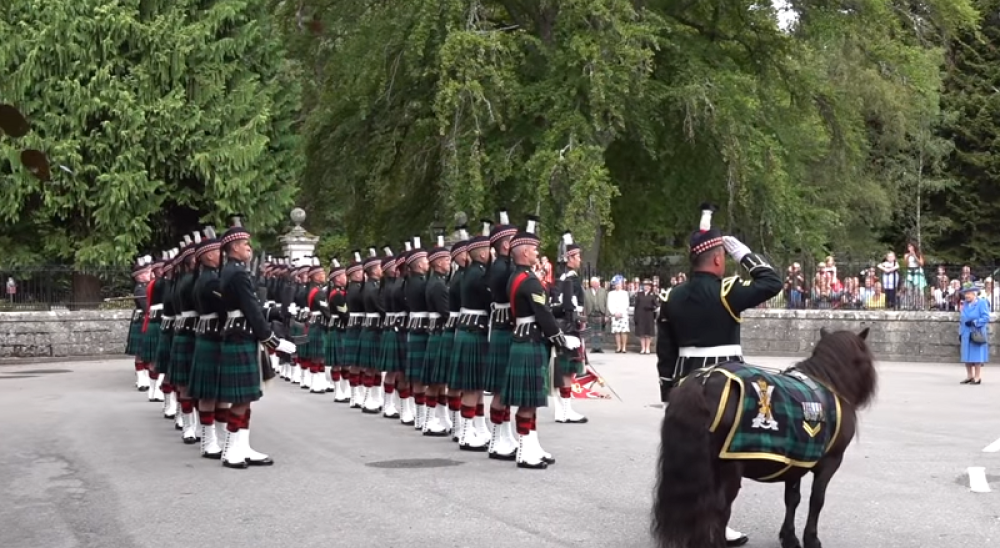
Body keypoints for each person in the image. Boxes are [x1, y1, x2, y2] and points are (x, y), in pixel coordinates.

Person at [655, 203, 783, 547]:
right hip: (726, 381)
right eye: (723, 256)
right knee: (725, 457)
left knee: (687, 456)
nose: (725, 261)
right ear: (715, 259)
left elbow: (664, 351)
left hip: (684, 382)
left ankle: (689, 519)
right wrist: (746, 255)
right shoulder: (727, 291)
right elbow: (773, 282)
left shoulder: (671, 296)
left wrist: (668, 390)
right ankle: (716, 520)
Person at [217, 215, 294, 469]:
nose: (249, 247)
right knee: (241, 397)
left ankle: (243, 447)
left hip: (240, 333)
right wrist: (273, 340)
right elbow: (250, 309)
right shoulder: (237, 273)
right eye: (245, 243)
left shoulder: (233, 271)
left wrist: (269, 314)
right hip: (242, 334)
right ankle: (231, 450)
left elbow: (252, 306)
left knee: (246, 397)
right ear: (234, 247)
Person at [503, 216, 579, 469]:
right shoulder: (529, 280)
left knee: (531, 401)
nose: (537, 253)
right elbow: (543, 314)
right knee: (527, 401)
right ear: (524, 251)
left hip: (525, 340)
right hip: (530, 342)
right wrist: (560, 339)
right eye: (534, 249)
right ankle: (525, 450)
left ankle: (532, 444)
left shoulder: (517, 277)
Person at [450, 221, 493, 450]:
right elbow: (490, 300)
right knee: (470, 386)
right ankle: (466, 433)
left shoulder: (468, 273)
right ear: (483, 253)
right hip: (474, 329)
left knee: (475, 384)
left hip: (470, 329)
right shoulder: (478, 275)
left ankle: (477, 427)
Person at [550, 230, 588, 424]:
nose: (580, 260)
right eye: (578, 256)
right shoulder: (570, 279)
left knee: (564, 370)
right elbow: (568, 304)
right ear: (570, 258)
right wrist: (575, 320)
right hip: (569, 327)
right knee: (566, 371)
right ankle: (565, 410)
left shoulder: (563, 277)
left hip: (565, 326)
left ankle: (562, 408)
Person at [128, 255, 153, 391]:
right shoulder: (140, 289)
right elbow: (146, 307)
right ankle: (141, 379)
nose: (150, 274)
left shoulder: (147, 286)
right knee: (140, 352)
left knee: (146, 352)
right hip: (142, 320)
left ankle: (146, 378)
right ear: (140, 276)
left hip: (146, 321)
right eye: (147, 272)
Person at [959, 282, 990, 385]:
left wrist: (974, 322)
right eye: (965, 293)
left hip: (977, 332)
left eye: (969, 293)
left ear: (974, 293)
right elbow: (962, 319)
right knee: (966, 355)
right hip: (965, 333)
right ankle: (969, 376)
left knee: (977, 356)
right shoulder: (965, 304)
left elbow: (986, 317)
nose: (966, 295)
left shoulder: (981, 303)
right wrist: (960, 333)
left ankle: (977, 377)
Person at [633, 279, 658, 354]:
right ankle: (643, 348)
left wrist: (652, 308)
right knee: (642, 333)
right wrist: (636, 316)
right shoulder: (639, 294)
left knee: (648, 333)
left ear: (650, 287)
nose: (646, 287)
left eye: (648, 286)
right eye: (645, 286)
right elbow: (636, 306)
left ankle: (647, 348)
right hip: (641, 315)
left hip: (649, 315)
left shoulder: (652, 295)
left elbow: (657, 305)